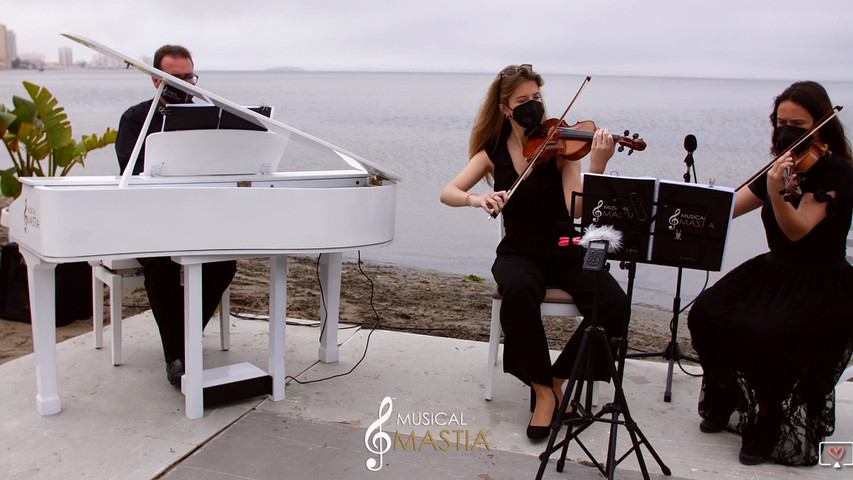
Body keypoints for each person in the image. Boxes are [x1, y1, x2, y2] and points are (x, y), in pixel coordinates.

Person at [440, 65, 628, 441]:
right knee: (519, 290)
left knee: (614, 302)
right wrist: (478, 198)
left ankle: (558, 377)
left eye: (537, 98)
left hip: (565, 249)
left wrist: (598, 165)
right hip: (519, 251)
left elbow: (576, 209)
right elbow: (449, 192)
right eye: (523, 101)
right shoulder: (492, 151)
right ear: (506, 108)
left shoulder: (561, 146)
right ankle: (543, 393)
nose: (533, 107)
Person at [687, 81, 853, 466]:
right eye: (781, 122)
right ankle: (726, 389)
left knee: (767, 335)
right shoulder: (784, 166)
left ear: (820, 125)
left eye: (798, 122)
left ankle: (768, 414)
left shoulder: (836, 172)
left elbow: (797, 229)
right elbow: (728, 208)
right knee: (705, 315)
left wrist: (778, 192)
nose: (787, 130)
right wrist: (692, 205)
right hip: (774, 270)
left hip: (821, 279)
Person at [115, 45, 237, 386]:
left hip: (195, 216)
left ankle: (180, 339)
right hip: (149, 217)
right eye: (176, 78)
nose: (185, 84)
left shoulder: (206, 118)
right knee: (160, 266)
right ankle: (176, 357)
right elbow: (131, 170)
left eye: (189, 77)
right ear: (157, 80)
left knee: (223, 264)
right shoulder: (135, 118)